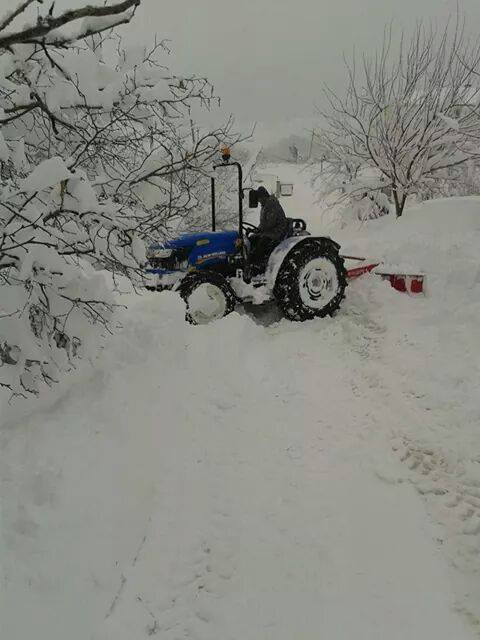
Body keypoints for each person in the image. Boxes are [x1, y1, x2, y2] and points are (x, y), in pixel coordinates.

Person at [248, 186, 288, 274]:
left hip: (276, 232)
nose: (258, 201)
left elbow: (270, 223)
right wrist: (256, 230)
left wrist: (259, 230)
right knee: (251, 239)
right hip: (269, 231)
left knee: (262, 243)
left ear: (263, 197)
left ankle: (259, 266)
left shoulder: (272, 204)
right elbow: (264, 223)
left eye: (259, 199)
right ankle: (249, 262)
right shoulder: (265, 205)